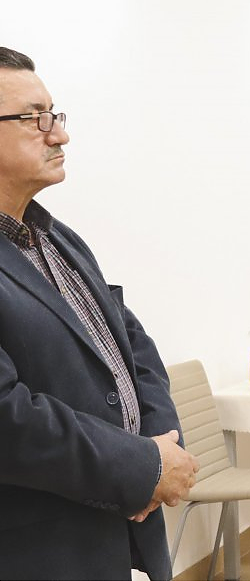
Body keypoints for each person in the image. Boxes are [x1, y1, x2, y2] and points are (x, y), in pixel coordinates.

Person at [0, 47, 199, 580]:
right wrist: (142, 466)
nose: (59, 135)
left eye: (54, 114)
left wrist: (160, 446)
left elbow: (131, 343)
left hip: (112, 536)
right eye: (34, 119)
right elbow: (9, 418)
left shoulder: (55, 236)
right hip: (38, 551)